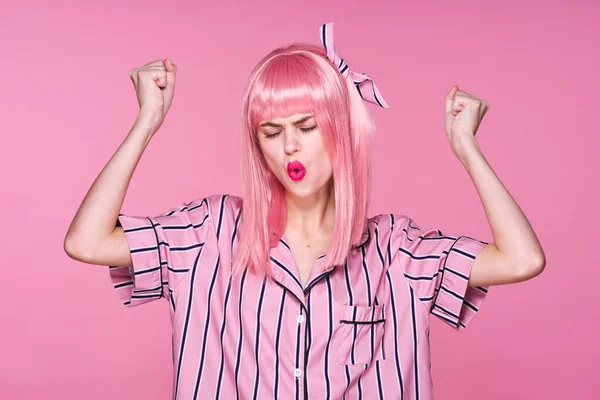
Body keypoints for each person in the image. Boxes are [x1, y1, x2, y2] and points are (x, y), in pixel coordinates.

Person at [64, 22, 545, 400]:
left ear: (341, 129)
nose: (290, 146)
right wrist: (147, 120)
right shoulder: (206, 235)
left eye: (307, 126)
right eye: (271, 133)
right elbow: (86, 242)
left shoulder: (397, 252)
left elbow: (522, 260)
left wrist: (467, 148)